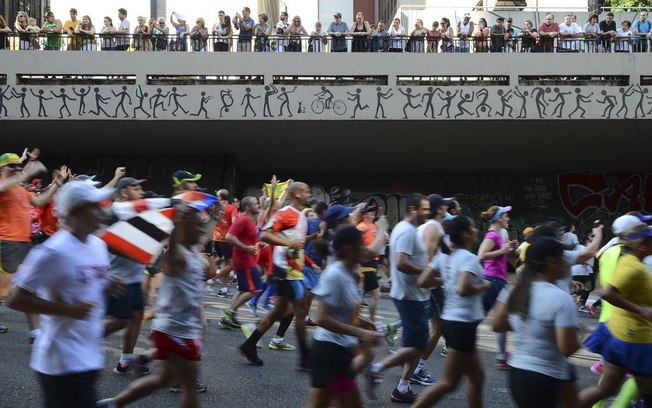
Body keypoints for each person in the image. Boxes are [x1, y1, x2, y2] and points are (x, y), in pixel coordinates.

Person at [8, 181, 116, 408]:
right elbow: (15, 298)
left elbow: (84, 283)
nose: (101, 211)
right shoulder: (53, 251)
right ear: (75, 212)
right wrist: (69, 310)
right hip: (60, 361)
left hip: (89, 355)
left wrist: (107, 285)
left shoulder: (98, 245)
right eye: (94, 207)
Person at [97, 205, 211, 408]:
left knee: (162, 380)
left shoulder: (193, 250)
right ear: (184, 226)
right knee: (189, 387)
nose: (203, 229)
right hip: (176, 331)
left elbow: (203, 237)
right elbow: (175, 239)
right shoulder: (175, 257)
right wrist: (176, 223)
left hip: (180, 329)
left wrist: (216, 217)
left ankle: (113, 404)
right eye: (198, 224)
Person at [493, 236, 581, 408]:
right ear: (551, 262)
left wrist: (533, 324)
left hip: (518, 373)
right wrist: (581, 334)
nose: (567, 263)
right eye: (563, 258)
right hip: (545, 378)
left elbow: (497, 325)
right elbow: (567, 348)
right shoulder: (561, 299)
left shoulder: (513, 290)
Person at [412, 215, 491, 408]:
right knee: (449, 382)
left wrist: (446, 281)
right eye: (473, 227)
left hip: (453, 323)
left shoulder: (444, 256)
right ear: (465, 234)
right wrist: (483, 286)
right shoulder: (470, 259)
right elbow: (463, 288)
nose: (476, 231)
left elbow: (423, 280)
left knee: (477, 377)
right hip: (462, 326)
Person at [365, 193, 434, 403]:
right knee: (419, 345)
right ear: (413, 210)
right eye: (424, 209)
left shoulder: (409, 230)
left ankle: (403, 388)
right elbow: (401, 262)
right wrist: (427, 272)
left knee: (416, 344)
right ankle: (377, 368)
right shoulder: (406, 231)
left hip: (415, 296)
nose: (427, 213)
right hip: (410, 296)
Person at [578, 222, 652, 408]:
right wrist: (641, 310)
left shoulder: (627, 259)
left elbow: (606, 288)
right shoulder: (634, 267)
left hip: (620, 335)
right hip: (636, 342)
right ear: (643, 243)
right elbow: (608, 293)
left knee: (604, 390)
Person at [239, 182, 312, 370]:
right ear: (296, 194)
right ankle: (305, 358)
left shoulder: (300, 215)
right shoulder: (287, 212)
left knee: (279, 310)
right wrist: (288, 245)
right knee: (302, 311)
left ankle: (249, 345)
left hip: (291, 270)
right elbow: (264, 235)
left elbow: (294, 240)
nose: (309, 194)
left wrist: (308, 242)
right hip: (286, 270)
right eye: (306, 191)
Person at [309, 225, 382, 408]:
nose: (365, 250)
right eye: (362, 246)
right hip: (330, 353)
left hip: (337, 350)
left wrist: (364, 323)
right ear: (349, 250)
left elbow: (341, 311)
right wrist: (360, 333)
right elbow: (322, 318)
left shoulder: (350, 273)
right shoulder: (335, 274)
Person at [0, 151, 61, 336]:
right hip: (7, 242)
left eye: (19, 165)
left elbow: (40, 202)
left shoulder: (21, 189)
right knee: (4, 293)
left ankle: (35, 333)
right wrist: (27, 171)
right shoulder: (4, 185)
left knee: (28, 287)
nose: (18, 169)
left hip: (24, 242)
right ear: (2, 167)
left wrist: (55, 186)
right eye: (13, 166)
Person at [103, 177, 151, 377]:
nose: (141, 191)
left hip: (133, 276)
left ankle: (125, 361)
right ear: (123, 192)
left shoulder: (135, 212)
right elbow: (106, 242)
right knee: (120, 320)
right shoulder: (114, 213)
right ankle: (75, 344)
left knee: (136, 316)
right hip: (117, 278)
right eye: (136, 187)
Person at [478, 205, 517, 368]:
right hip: (492, 280)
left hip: (497, 280)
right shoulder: (492, 235)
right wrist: (502, 250)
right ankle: (502, 356)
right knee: (501, 317)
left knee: (492, 317)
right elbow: (481, 255)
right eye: (506, 216)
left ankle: (502, 356)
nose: (508, 219)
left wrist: (510, 247)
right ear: (499, 218)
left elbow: (502, 252)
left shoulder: (499, 235)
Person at [220, 197, 264, 328]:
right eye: (256, 204)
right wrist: (245, 247)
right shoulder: (243, 219)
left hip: (247, 259)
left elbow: (247, 239)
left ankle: (228, 318)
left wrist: (260, 244)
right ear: (248, 207)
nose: (258, 205)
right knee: (256, 289)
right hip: (244, 260)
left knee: (242, 289)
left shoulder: (250, 220)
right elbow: (229, 236)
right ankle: (230, 311)